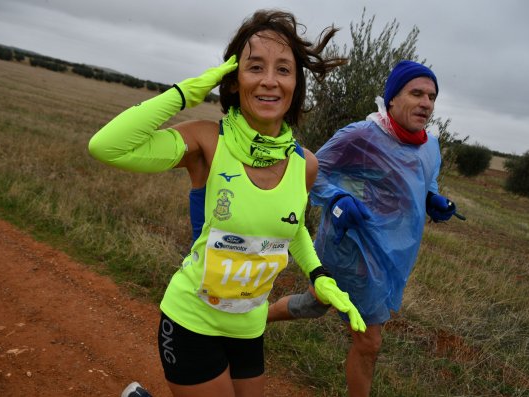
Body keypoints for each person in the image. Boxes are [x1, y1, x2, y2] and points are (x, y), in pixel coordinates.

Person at [89, 9, 366, 397]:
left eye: (283, 69)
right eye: (255, 67)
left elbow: (292, 227)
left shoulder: (306, 164)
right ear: (234, 80)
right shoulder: (207, 141)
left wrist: (319, 275)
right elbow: (106, 147)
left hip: (249, 326)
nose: (270, 81)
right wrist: (186, 92)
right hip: (191, 320)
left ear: (296, 84)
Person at [268, 60, 460, 396]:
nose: (426, 103)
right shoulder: (361, 136)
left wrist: (433, 198)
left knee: (315, 303)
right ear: (391, 99)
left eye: (431, 97)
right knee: (369, 341)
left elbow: (427, 178)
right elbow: (310, 170)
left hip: (394, 253)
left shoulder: (430, 144)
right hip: (351, 249)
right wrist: (337, 199)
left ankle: (252, 324)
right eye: (416, 93)